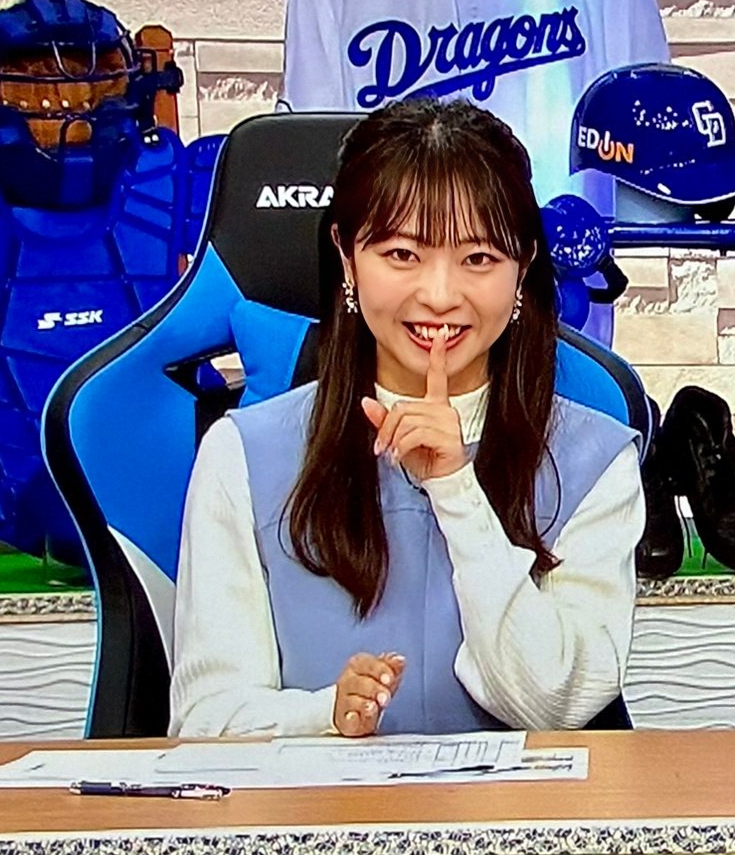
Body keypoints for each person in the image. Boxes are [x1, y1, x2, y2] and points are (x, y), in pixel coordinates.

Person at [170, 99, 643, 737]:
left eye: (479, 259)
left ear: (524, 267)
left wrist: (456, 489)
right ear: (347, 257)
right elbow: (205, 720)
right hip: (316, 804)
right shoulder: (242, 457)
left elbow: (556, 709)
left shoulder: (597, 462)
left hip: (523, 805)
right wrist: (323, 715)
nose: (439, 296)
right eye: (401, 254)